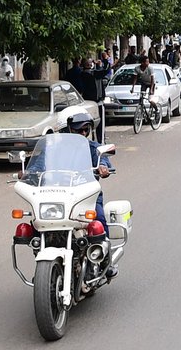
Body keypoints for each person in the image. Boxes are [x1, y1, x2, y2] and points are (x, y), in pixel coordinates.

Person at [61, 109, 116, 276]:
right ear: (69, 129)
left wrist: (103, 167)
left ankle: (106, 260)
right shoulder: (57, 148)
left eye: (86, 129)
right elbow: (40, 164)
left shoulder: (94, 148)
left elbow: (104, 160)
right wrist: (28, 172)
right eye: (79, 129)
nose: (83, 133)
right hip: (62, 196)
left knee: (98, 219)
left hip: (88, 197)